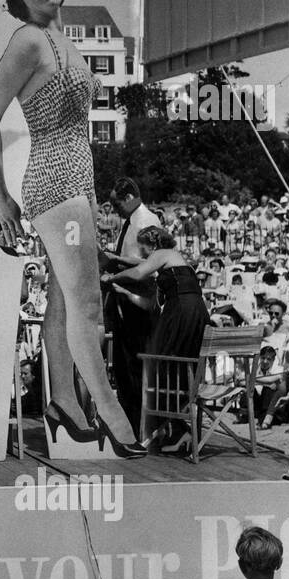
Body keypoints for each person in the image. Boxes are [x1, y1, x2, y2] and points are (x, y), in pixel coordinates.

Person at [0, 0, 144, 458]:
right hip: (55, 184)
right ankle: (115, 419)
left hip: (77, 182)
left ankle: (65, 403)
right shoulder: (27, 40)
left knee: (60, 305)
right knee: (88, 306)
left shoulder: (62, 39)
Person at [103, 226, 209, 452]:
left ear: (150, 244)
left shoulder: (163, 253)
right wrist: (124, 291)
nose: (140, 251)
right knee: (173, 369)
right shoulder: (171, 264)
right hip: (191, 311)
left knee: (162, 367)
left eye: (142, 246)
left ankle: (175, 429)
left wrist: (111, 276)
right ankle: (175, 429)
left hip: (181, 311)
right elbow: (149, 301)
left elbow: (138, 271)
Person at [102, 178, 161, 434]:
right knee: (125, 366)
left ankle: (137, 423)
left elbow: (145, 267)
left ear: (129, 197)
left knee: (134, 365)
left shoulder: (145, 221)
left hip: (137, 303)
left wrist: (114, 272)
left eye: (117, 204)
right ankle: (129, 418)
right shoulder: (132, 220)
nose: (115, 210)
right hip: (125, 298)